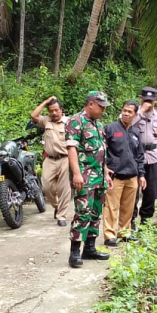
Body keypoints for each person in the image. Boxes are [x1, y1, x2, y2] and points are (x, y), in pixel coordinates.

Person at [65, 90, 112, 268]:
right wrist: (76, 173)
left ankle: (90, 248)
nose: (103, 110)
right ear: (91, 104)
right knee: (82, 212)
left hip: (99, 176)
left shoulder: (98, 124)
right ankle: (75, 252)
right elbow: (71, 149)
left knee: (95, 212)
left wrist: (106, 173)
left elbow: (102, 151)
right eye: (101, 106)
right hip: (84, 176)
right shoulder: (76, 121)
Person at [101, 101, 146, 247]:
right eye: (124, 110)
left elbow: (139, 156)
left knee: (128, 208)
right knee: (111, 207)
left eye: (130, 112)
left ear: (135, 115)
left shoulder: (136, 132)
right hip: (115, 177)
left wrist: (141, 175)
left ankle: (124, 233)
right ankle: (109, 236)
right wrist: (105, 169)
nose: (126, 113)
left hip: (132, 177)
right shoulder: (110, 128)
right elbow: (102, 151)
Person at [30, 96, 71, 226]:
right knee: (47, 186)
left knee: (64, 188)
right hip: (49, 159)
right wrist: (46, 102)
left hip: (65, 158)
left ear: (61, 110)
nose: (54, 113)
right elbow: (34, 115)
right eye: (51, 110)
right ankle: (57, 206)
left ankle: (61, 216)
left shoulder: (69, 122)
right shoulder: (46, 121)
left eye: (56, 110)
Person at [133, 86, 157, 226]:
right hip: (135, 158)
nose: (148, 103)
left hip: (153, 158)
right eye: (146, 100)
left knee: (151, 191)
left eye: (151, 101)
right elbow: (124, 124)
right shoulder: (132, 113)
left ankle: (145, 220)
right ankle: (130, 222)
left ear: (156, 101)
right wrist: (141, 112)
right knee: (133, 191)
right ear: (140, 99)